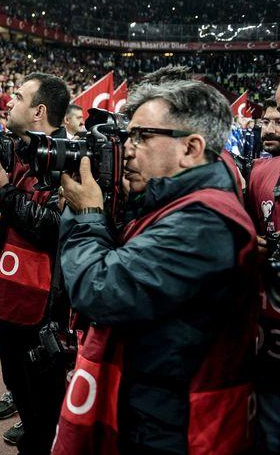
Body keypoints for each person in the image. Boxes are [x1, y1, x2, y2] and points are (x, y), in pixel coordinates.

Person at [53, 80, 258, 454]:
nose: (126, 151)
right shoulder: (175, 202)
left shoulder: (204, 221)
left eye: (141, 137)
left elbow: (99, 289)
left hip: (175, 430)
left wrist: (87, 214)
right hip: (156, 410)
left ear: (191, 148)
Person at [0, 73, 71, 451]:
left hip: (44, 309)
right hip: (8, 295)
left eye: (18, 97)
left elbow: (53, 229)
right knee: (18, 385)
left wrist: (3, 191)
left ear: (39, 111)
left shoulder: (65, 160)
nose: (8, 101)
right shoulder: (11, 149)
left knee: (44, 406)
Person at [246, 99, 280, 453]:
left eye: (279, 121)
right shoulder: (258, 171)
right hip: (267, 330)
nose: (269, 128)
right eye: (267, 121)